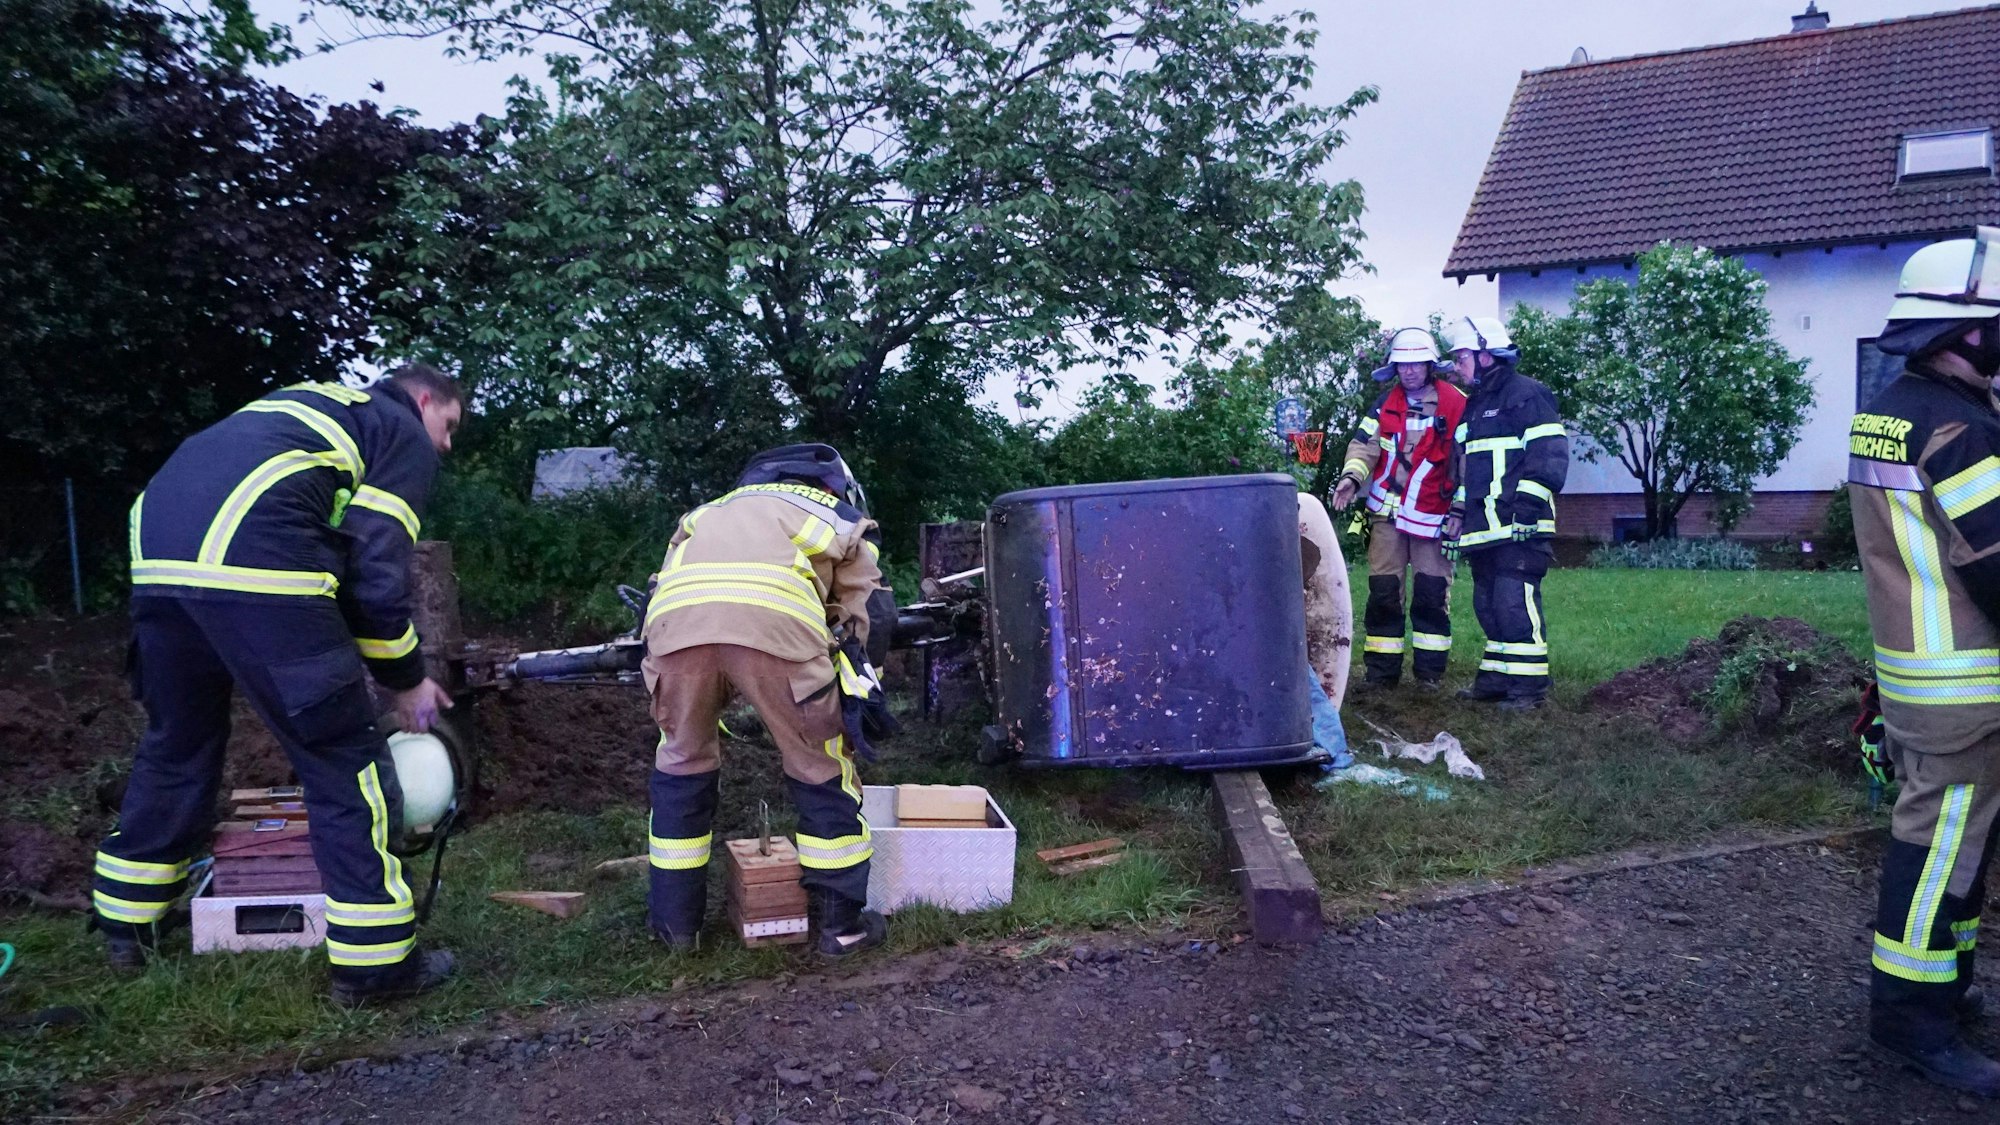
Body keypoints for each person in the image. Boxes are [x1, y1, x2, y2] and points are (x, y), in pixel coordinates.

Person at [91, 365, 463, 1006]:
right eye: (449, 425)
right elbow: (375, 578)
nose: (447, 445)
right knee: (347, 764)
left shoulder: (306, 406)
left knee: (176, 745)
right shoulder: (396, 427)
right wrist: (407, 683)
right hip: (256, 565)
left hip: (157, 561)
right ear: (423, 399)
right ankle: (374, 967)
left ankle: (127, 923)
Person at [1847, 231, 2000, 1097]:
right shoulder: (1961, 428)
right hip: (1965, 689)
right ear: (1967, 332)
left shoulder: (1892, 404)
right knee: (1939, 849)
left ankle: (1945, 984)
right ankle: (1910, 1020)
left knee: (1960, 845)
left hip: (1921, 676)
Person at [642, 443, 889, 958]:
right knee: (819, 766)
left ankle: (675, 932)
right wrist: (862, 691)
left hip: (675, 627)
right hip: (777, 626)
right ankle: (840, 929)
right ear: (832, 484)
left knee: (681, 761)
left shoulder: (706, 512)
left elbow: (663, 585)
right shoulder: (840, 516)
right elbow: (867, 616)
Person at [1441, 315, 1568, 710]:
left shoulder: (1526, 395)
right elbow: (1467, 467)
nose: (1457, 367)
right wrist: (1459, 511)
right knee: (1488, 604)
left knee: (1513, 603)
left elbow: (1549, 454)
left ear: (1484, 354)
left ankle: (1528, 691)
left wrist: (1528, 510)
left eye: (1462, 357)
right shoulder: (1476, 406)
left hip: (1519, 527)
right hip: (1484, 530)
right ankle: (1497, 680)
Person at [1332, 327, 1468, 688]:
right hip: (1387, 515)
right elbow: (1364, 446)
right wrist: (1350, 479)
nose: (1409, 371)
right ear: (1394, 368)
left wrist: (1459, 508)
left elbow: (1467, 457)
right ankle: (1381, 674)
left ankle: (1429, 675)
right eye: (1402, 365)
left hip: (1433, 514)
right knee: (1383, 592)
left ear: (1429, 365)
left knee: (1431, 592)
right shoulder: (1383, 404)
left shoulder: (1455, 402)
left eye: (1416, 364)